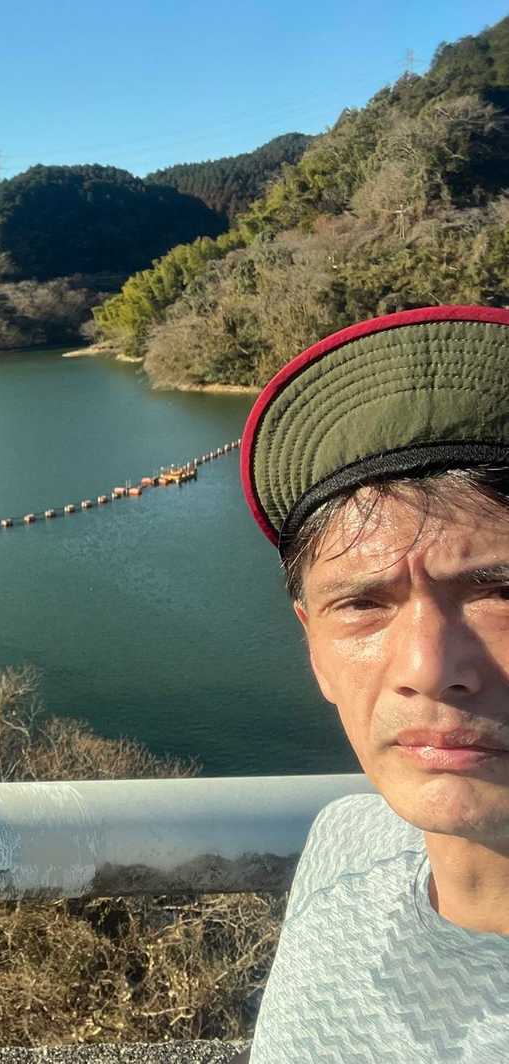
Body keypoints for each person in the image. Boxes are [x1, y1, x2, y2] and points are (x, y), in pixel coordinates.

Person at [238, 306, 509, 1062]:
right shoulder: (346, 843)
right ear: (315, 650)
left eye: (500, 593)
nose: (427, 670)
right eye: (361, 604)